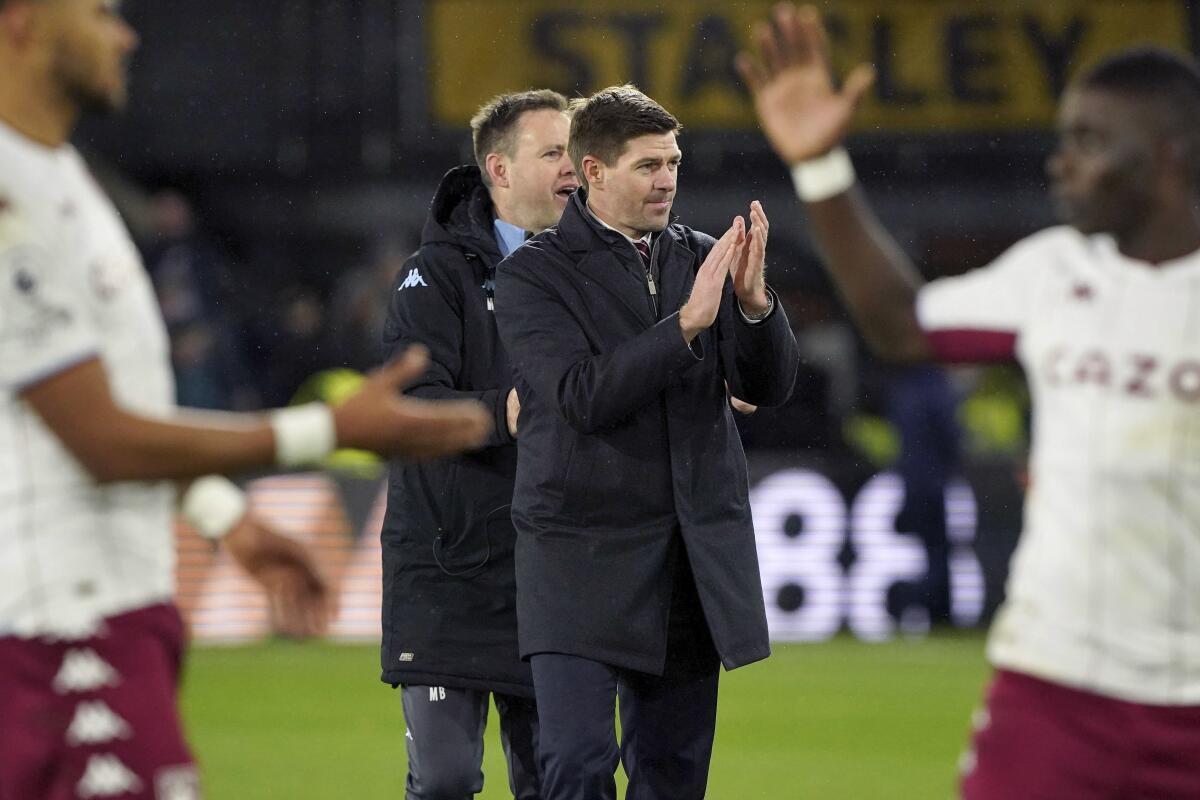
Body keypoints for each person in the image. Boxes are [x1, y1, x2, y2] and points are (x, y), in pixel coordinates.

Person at [0, 2, 490, 798]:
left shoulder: (64, 182)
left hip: (113, 616)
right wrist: (326, 429)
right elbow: (96, 437)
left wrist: (227, 518)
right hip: (61, 631)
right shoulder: (9, 192)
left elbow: (121, 413)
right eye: (97, 14)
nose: (124, 36)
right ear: (22, 22)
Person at [738, 4, 1200, 798]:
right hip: (1054, 688)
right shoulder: (1053, 273)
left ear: (1169, 156)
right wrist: (820, 168)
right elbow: (900, 326)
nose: (1063, 162)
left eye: (1090, 142)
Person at [494, 85, 800, 799]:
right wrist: (685, 327)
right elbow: (578, 397)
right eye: (647, 165)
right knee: (573, 765)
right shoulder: (532, 276)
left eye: (673, 162)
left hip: (686, 561)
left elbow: (770, 388)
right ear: (593, 172)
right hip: (578, 556)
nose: (666, 179)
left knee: (673, 776)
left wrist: (756, 308)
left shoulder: (701, 256)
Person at [380, 89, 578, 800]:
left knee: (558, 781)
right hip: (448, 572)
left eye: (574, 152)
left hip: (555, 573)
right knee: (444, 780)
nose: (573, 168)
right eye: (552, 152)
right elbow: (410, 405)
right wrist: (511, 411)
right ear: (498, 168)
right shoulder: (433, 278)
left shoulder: (595, 270)